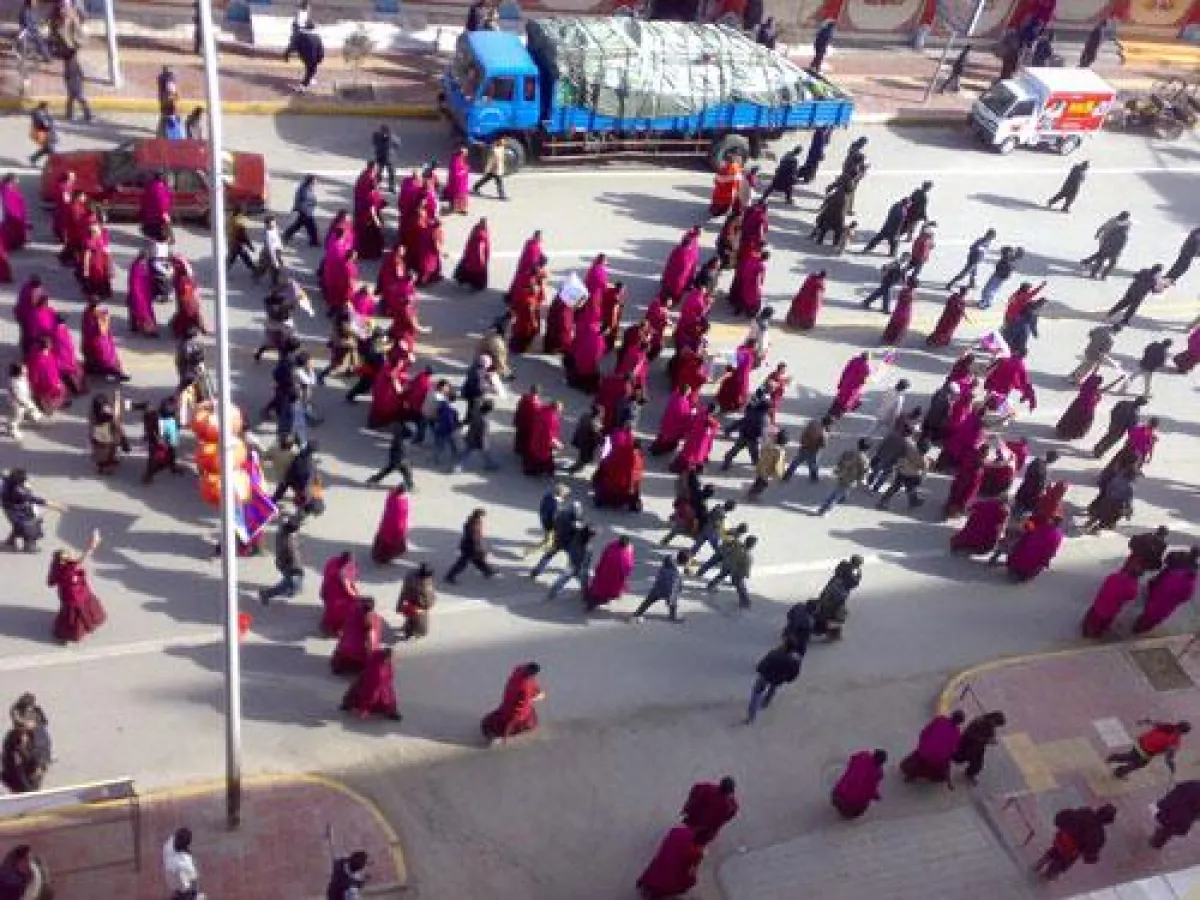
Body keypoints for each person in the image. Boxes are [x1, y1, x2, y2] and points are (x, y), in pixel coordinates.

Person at [48, 529, 106, 643]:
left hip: (74, 593)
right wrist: (93, 544)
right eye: (66, 556)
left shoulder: (59, 566)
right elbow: (82, 557)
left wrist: (93, 544)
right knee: (75, 613)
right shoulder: (69, 568)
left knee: (72, 612)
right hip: (75, 595)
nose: (70, 557)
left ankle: (67, 631)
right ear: (62, 560)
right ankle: (69, 634)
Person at [1033, 804, 1117, 881]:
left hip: (1062, 837)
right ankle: (1047, 875)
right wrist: (1092, 858)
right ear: (1108, 822)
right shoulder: (1099, 835)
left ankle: (1043, 860)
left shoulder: (1086, 812)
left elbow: (1068, 815)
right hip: (1071, 849)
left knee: (1055, 850)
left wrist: (1061, 824)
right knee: (1063, 862)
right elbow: (1090, 852)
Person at [1132, 550, 1199, 634]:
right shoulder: (1192, 572)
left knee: (1150, 607)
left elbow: (1167, 559)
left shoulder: (1180, 556)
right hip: (1167, 597)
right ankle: (1139, 628)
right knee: (1154, 614)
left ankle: (1138, 623)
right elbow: (1185, 597)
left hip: (1163, 582)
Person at [481, 661, 543, 744]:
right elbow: (519, 711)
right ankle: (499, 737)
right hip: (516, 712)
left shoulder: (518, 669)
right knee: (527, 722)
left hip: (507, 704)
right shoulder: (525, 688)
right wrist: (536, 697)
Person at [636, 824, 703, 900]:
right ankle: (657, 894)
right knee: (687, 880)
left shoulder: (677, 831)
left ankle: (647, 885)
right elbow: (691, 870)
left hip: (661, 859)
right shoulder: (696, 852)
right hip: (671, 875)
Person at [900, 710, 965, 785]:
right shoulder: (957, 733)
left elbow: (924, 733)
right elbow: (952, 749)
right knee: (939, 766)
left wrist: (923, 745)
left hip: (924, 751)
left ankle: (912, 773)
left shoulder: (939, 720)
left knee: (920, 757)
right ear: (960, 722)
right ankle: (932, 776)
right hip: (938, 759)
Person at [746, 640, 801, 724]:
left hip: (766, 676)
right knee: (772, 689)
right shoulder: (794, 661)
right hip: (778, 678)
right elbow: (794, 674)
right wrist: (786, 679)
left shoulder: (774, 653)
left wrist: (760, 671)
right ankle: (765, 703)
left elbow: (762, 664)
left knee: (756, 693)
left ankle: (751, 716)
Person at [340, 647, 401, 721]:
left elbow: (388, 680)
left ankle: (389, 710)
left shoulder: (387, 664)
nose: (392, 661)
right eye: (390, 659)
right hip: (370, 685)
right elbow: (370, 690)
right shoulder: (376, 671)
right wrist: (365, 709)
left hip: (381, 686)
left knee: (386, 695)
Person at [1081, 562, 1139, 638]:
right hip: (1110, 611)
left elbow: (1104, 585)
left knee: (1090, 621)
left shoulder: (1113, 576)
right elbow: (1131, 597)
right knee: (1100, 626)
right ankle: (1095, 636)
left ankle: (1085, 633)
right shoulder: (1132, 587)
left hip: (1098, 605)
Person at [630, 550, 687, 624]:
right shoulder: (675, 573)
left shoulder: (669, 561)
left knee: (648, 601)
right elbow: (672, 588)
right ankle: (672, 616)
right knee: (673, 603)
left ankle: (637, 614)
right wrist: (671, 598)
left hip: (658, 586)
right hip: (668, 590)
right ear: (683, 562)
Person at [817, 439, 870, 516]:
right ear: (867, 449)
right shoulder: (865, 460)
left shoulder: (848, 452)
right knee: (836, 494)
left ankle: (842, 498)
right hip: (850, 479)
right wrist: (862, 481)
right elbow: (864, 472)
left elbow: (840, 461)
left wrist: (837, 470)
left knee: (841, 490)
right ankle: (823, 510)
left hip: (841, 474)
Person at [259, 516, 304, 605]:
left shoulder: (284, 532)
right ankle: (266, 594)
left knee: (295, 581)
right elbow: (291, 555)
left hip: (286, 564)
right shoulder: (288, 541)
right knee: (289, 583)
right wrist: (295, 569)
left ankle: (293, 590)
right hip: (291, 566)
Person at [680, 778, 738, 846]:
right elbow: (726, 819)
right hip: (704, 832)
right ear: (730, 791)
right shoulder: (731, 805)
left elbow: (695, 789)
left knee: (681, 838)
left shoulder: (707, 788)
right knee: (694, 846)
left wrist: (686, 808)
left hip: (692, 821)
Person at [1006, 515, 1064, 582]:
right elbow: (1053, 548)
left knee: (1020, 549)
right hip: (1039, 557)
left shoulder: (1043, 527)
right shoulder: (1059, 534)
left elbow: (1030, 534)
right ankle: (1023, 573)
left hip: (1026, 552)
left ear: (1052, 521)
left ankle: (1016, 570)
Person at [831, 749, 887, 819]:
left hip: (836, 794)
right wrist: (876, 796)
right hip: (849, 806)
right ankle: (847, 816)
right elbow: (870, 790)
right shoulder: (877, 774)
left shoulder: (862, 756)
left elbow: (853, 758)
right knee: (859, 805)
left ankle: (838, 805)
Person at [952, 711, 1006, 783]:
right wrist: (986, 740)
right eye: (996, 724)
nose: (995, 726)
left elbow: (991, 733)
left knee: (977, 765)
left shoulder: (990, 725)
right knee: (959, 758)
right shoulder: (978, 722)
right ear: (993, 719)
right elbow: (969, 733)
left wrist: (992, 738)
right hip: (967, 745)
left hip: (978, 748)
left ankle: (969, 773)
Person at [445, 508, 496, 584]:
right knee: (463, 563)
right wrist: (480, 548)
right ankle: (450, 576)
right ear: (479, 515)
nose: (484, 518)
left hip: (469, 545)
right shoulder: (474, 523)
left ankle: (487, 571)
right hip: (470, 547)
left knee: (477, 560)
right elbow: (474, 537)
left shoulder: (473, 521)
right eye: (483, 516)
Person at [586, 536, 634, 611]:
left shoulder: (611, 546)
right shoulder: (627, 552)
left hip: (604, 571)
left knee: (599, 586)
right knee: (610, 589)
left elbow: (603, 556)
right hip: (616, 576)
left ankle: (592, 601)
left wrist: (599, 567)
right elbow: (628, 566)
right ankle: (599, 600)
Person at [1080, 211, 1131, 280]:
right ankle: (1095, 271)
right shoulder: (1117, 228)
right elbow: (1104, 228)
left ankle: (1091, 268)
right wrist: (1099, 234)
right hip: (1109, 248)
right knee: (1103, 260)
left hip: (1109, 248)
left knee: (1101, 259)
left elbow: (1121, 244)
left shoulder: (1120, 231)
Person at [1150, 781, 1200, 849]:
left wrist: (1161, 804)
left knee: (1167, 828)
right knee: (1169, 829)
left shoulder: (1193, 785)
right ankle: (1157, 841)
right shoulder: (1194, 786)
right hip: (1181, 817)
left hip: (1175, 812)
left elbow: (1176, 793)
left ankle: (1157, 841)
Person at [370, 484, 410, 565]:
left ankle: (379, 555)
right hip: (396, 525)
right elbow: (403, 514)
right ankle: (385, 557)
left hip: (387, 522)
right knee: (393, 540)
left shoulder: (391, 496)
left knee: (384, 538)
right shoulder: (402, 501)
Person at [397, 563, 435, 641]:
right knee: (417, 621)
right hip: (417, 604)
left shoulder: (414, 576)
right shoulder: (422, 581)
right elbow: (428, 597)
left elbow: (405, 589)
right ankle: (410, 633)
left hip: (415, 603)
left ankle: (408, 629)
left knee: (412, 618)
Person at [162, 827, 201, 900]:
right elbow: (194, 879)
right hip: (185, 888)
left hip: (171, 880)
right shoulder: (186, 862)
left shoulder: (168, 844)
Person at [1, 728, 42, 794]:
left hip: (25, 787)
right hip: (18, 789)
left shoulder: (29, 754)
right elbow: (21, 781)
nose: (26, 738)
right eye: (24, 736)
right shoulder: (14, 757)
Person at [285, 22, 325, 91]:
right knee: (311, 70)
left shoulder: (300, 36)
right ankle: (303, 86)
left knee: (310, 70)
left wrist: (286, 55)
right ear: (313, 28)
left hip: (304, 57)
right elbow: (320, 48)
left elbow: (292, 47)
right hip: (314, 57)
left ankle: (306, 82)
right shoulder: (317, 37)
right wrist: (320, 57)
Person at [283, 175, 319, 247]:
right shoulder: (304, 190)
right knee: (312, 227)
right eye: (315, 181)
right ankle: (314, 242)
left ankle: (286, 236)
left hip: (305, 211)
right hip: (305, 212)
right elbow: (302, 202)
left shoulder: (307, 188)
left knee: (298, 225)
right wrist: (308, 208)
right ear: (310, 181)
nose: (316, 183)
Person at [63, 48, 92, 123]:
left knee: (71, 98)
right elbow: (75, 72)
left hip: (72, 80)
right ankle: (87, 115)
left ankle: (69, 114)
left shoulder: (71, 61)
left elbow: (77, 70)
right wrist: (81, 77)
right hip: (74, 81)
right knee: (79, 98)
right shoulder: (71, 61)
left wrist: (81, 76)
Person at [371, 124, 401, 193]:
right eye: (382, 131)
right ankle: (378, 185)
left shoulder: (392, 137)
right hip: (381, 157)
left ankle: (391, 187)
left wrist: (391, 150)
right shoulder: (376, 136)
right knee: (379, 173)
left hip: (389, 158)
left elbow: (398, 144)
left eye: (385, 132)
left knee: (391, 173)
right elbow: (374, 142)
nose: (384, 133)